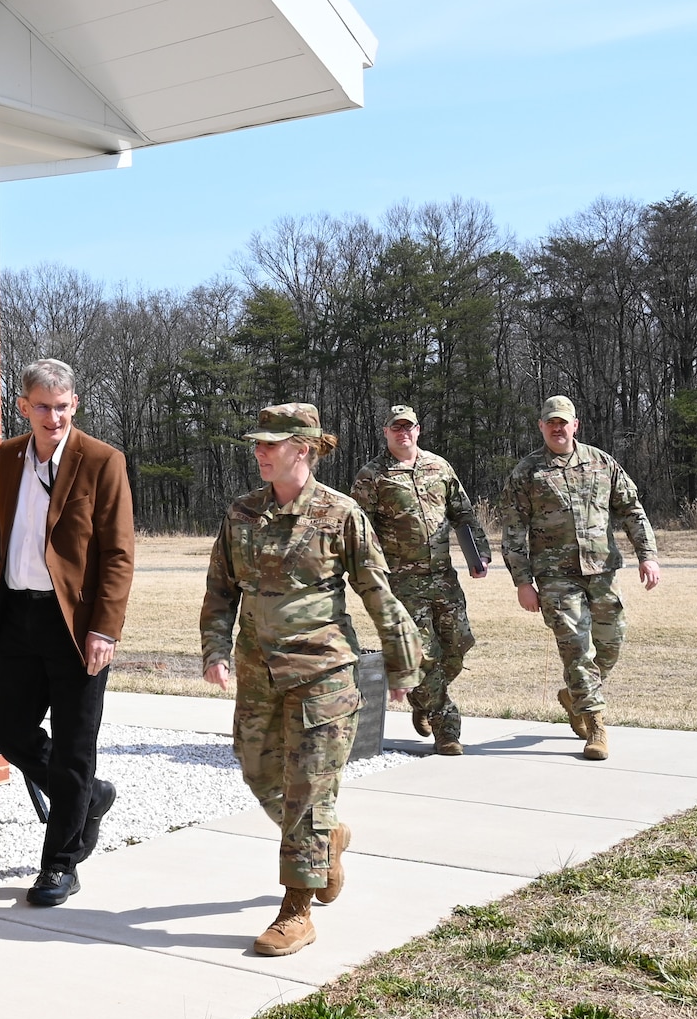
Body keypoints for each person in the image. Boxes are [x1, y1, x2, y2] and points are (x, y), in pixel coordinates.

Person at [201, 403, 420, 957]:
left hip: (323, 672)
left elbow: (377, 591)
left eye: (270, 444)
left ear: (303, 448)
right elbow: (221, 590)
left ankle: (297, 908)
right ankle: (329, 840)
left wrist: (402, 664)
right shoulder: (242, 513)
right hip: (257, 672)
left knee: (307, 791)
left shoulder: (340, 514)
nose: (260, 452)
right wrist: (215, 651)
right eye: (257, 443)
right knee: (259, 773)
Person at [0, 358, 135, 907]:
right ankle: (88, 797)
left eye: (62, 406)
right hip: (17, 614)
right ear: (23, 407)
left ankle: (60, 864)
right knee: (9, 728)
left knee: (73, 745)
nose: (53, 417)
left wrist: (105, 629)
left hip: (77, 625)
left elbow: (117, 554)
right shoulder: (7, 456)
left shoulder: (102, 461)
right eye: (42, 406)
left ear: (75, 405)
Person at [502, 395, 660, 762]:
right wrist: (523, 582)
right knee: (577, 650)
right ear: (542, 426)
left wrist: (647, 556)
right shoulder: (527, 473)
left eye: (564, 422)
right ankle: (596, 724)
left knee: (611, 643)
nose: (558, 428)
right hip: (556, 577)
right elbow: (513, 531)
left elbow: (632, 510)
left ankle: (574, 697)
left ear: (576, 425)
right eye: (550, 422)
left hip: (602, 571)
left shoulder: (602, 463)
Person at [349, 404, 491, 756]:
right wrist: (370, 576)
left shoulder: (438, 467)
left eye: (408, 427)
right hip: (402, 585)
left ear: (418, 430)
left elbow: (463, 513)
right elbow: (358, 532)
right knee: (424, 655)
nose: (403, 433)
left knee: (457, 647)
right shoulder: (372, 476)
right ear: (386, 432)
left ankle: (420, 696)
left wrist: (479, 555)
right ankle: (447, 727)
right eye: (396, 428)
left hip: (443, 578)